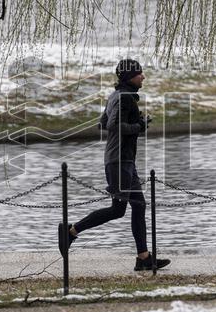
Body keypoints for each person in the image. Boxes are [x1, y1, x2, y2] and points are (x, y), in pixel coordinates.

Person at [58, 58, 171, 272]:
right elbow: (112, 125)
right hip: (118, 161)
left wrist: (137, 124)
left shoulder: (115, 96)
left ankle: (143, 258)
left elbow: (101, 123)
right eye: (140, 73)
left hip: (125, 161)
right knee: (118, 210)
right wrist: (138, 125)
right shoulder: (123, 97)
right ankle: (71, 231)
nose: (143, 76)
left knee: (139, 205)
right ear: (130, 77)